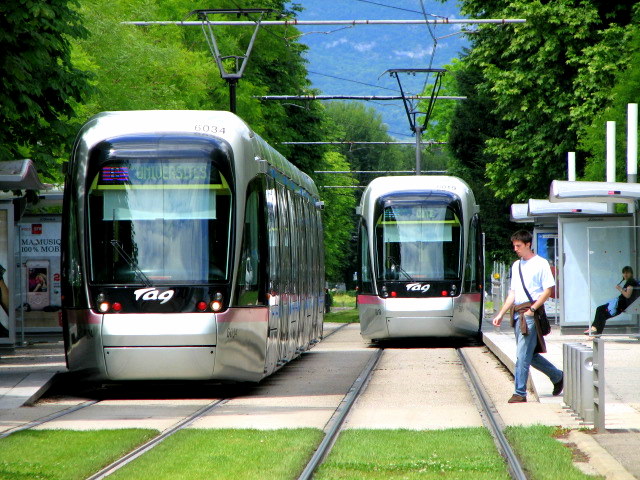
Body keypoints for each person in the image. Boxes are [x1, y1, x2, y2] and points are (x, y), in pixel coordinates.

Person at [492, 230, 563, 403]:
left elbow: (548, 290)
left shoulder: (541, 263)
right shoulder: (516, 265)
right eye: (514, 246)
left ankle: (519, 392)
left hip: (530, 314)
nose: (515, 249)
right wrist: (501, 313)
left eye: (518, 246)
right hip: (518, 314)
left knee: (522, 355)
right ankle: (558, 376)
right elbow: (513, 293)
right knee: (528, 354)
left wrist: (532, 309)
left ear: (528, 244)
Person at [586, 266, 640, 335]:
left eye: (627, 273)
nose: (625, 274)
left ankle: (594, 329)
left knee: (600, 310)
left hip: (620, 305)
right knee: (603, 314)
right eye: (624, 273)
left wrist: (620, 289)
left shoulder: (631, 282)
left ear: (631, 273)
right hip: (620, 304)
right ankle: (596, 332)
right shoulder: (630, 282)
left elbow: (628, 295)